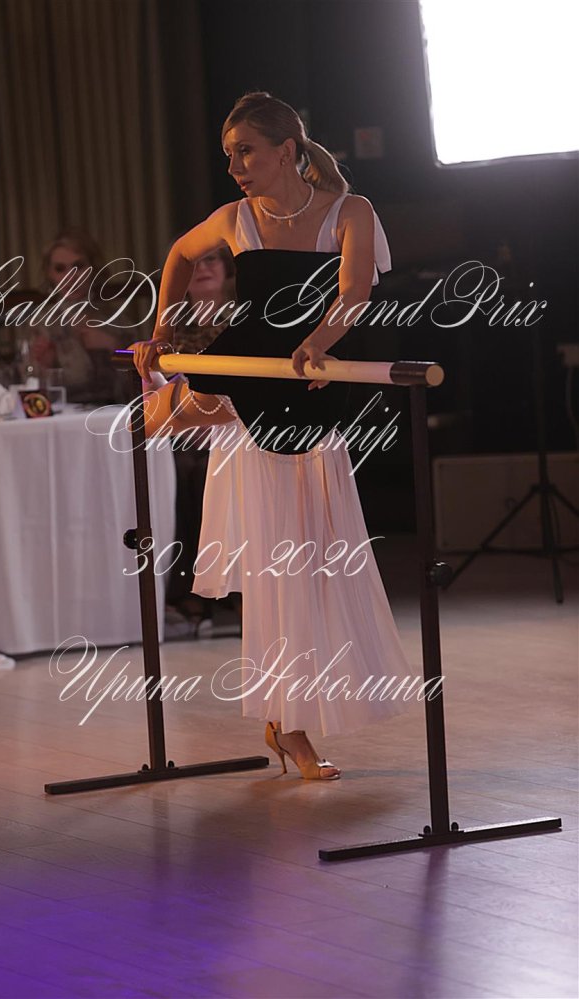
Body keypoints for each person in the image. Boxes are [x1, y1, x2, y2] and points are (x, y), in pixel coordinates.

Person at [131, 91, 410, 780]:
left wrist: (317, 342)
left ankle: (287, 723)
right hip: (251, 380)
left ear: (287, 150)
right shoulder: (237, 219)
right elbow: (178, 254)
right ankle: (290, 728)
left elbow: (354, 291)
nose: (235, 167)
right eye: (228, 155)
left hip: (310, 390)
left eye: (246, 152)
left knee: (314, 564)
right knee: (277, 570)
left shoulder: (350, 211)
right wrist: (162, 327)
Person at [163, 247, 243, 633]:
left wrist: (211, 420)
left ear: (226, 269)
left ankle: (235, 588)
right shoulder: (171, 328)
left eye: (211, 260)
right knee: (176, 472)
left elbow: (246, 381)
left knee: (209, 471)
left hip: (234, 424)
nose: (202, 269)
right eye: (193, 264)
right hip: (182, 429)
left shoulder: (242, 320)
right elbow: (161, 384)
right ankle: (188, 590)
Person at [31, 228, 130, 404]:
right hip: (65, 414)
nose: (71, 276)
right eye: (60, 268)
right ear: (50, 274)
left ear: (93, 268)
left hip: (114, 412)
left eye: (78, 266)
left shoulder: (116, 317)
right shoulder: (40, 323)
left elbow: (143, 380)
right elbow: (30, 391)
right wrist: (45, 366)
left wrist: (114, 346)